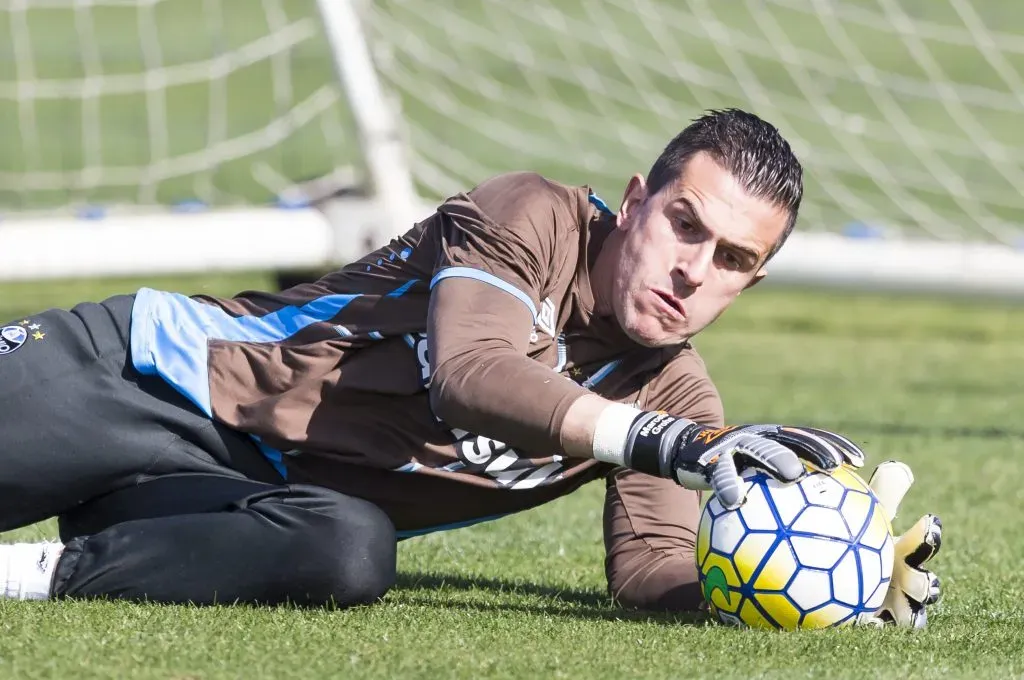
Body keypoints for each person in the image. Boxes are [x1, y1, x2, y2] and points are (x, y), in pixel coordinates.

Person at [0, 109, 941, 627]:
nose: (693, 268)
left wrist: (819, 576)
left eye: (732, 260)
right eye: (685, 225)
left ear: (753, 281)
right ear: (636, 202)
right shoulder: (530, 215)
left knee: (351, 552)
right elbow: (474, 370)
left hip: (232, 502)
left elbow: (654, 565)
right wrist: (673, 446)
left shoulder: (674, 396)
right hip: (142, 378)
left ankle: (35, 573)